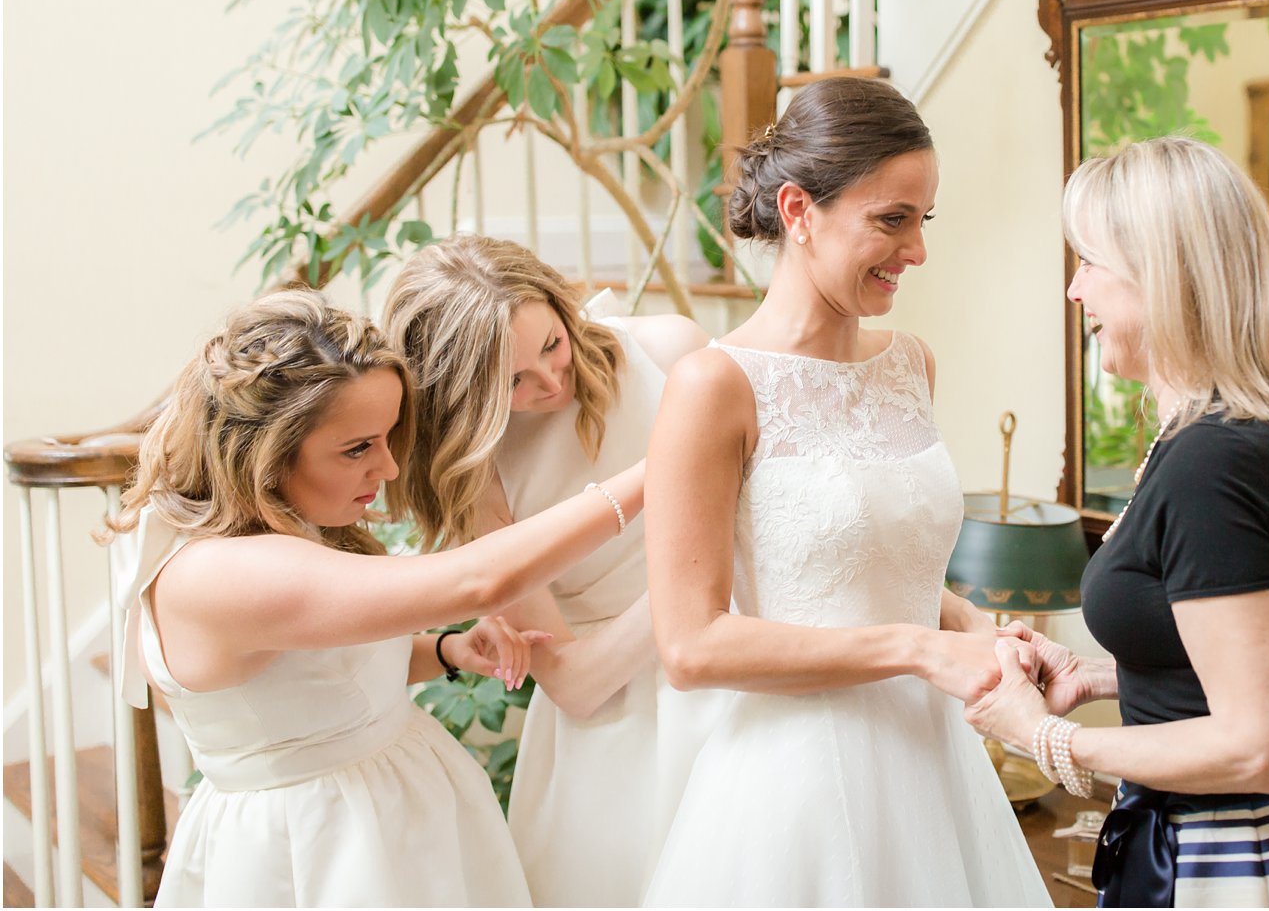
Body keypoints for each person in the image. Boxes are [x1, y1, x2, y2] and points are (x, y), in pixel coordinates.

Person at [640, 76, 1051, 907]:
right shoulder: (714, 386)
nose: (918, 250)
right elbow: (690, 647)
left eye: (923, 220)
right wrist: (916, 649)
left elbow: (879, 562)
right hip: (797, 783)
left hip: (932, 765)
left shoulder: (913, 365)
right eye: (891, 220)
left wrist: (972, 626)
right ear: (798, 211)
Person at [965, 136, 1269, 908]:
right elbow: (1221, 671)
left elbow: (1261, 747)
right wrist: (1101, 678)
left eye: (1090, 262)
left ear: (1164, 277)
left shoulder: (1213, 460)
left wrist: (1042, 737)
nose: (1075, 290)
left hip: (1231, 866)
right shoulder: (1210, 439)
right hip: (1227, 843)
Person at [105, 289, 642, 907]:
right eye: (358, 448)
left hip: (397, 812)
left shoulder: (270, 524)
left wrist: (447, 651)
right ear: (267, 453)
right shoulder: (218, 575)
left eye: (387, 438)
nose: (388, 469)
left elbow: (312, 680)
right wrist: (663, 471)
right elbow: (479, 581)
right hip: (319, 849)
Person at [381, 235, 724, 907]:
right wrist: (698, 586)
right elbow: (573, 682)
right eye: (511, 382)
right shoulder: (478, 478)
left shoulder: (670, 351)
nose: (550, 382)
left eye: (551, 346)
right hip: (618, 733)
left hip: (739, 669)